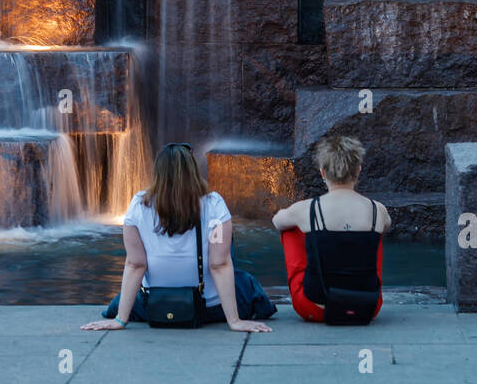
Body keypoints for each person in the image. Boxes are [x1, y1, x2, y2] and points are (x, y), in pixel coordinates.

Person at [83, 142, 275, 332]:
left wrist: (120, 319)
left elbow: (136, 264)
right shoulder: (213, 203)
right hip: (209, 307)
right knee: (231, 260)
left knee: (126, 292)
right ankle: (233, 309)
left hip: (153, 305)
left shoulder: (139, 205)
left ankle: (121, 312)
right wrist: (234, 321)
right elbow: (219, 265)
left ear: (158, 172)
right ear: (193, 171)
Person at [272, 135, 389, 323]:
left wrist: (296, 217)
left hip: (315, 307)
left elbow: (276, 222)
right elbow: (387, 225)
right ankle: (361, 289)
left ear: (322, 172)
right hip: (367, 307)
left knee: (290, 229)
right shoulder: (378, 209)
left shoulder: (307, 208)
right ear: (358, 170)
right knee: (376, 228)